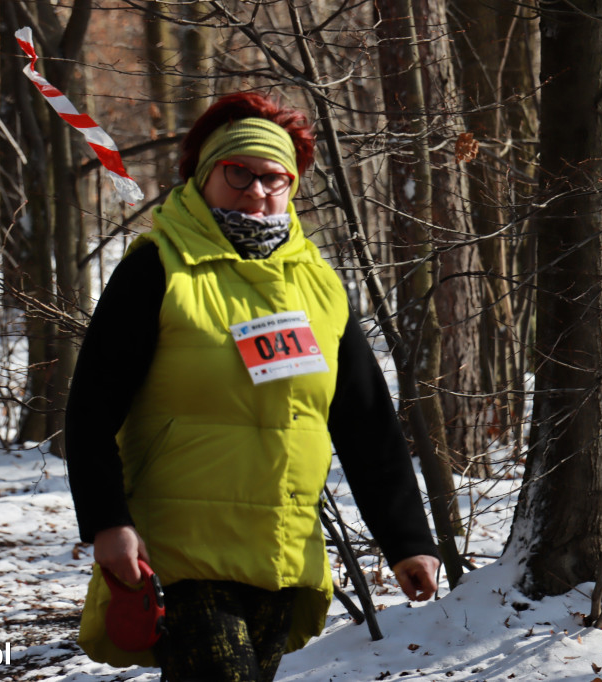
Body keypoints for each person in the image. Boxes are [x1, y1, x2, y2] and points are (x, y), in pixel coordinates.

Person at [65, 92, 440, 682]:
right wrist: (107, 522)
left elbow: (366, 423)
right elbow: (90, 408)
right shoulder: (157, 266)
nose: (257, 190)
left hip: (279, 547)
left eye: (275, 178)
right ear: (204, 174)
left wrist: (406, 540)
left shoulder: (318, 283)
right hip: (180, 546)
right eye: (238, 171)